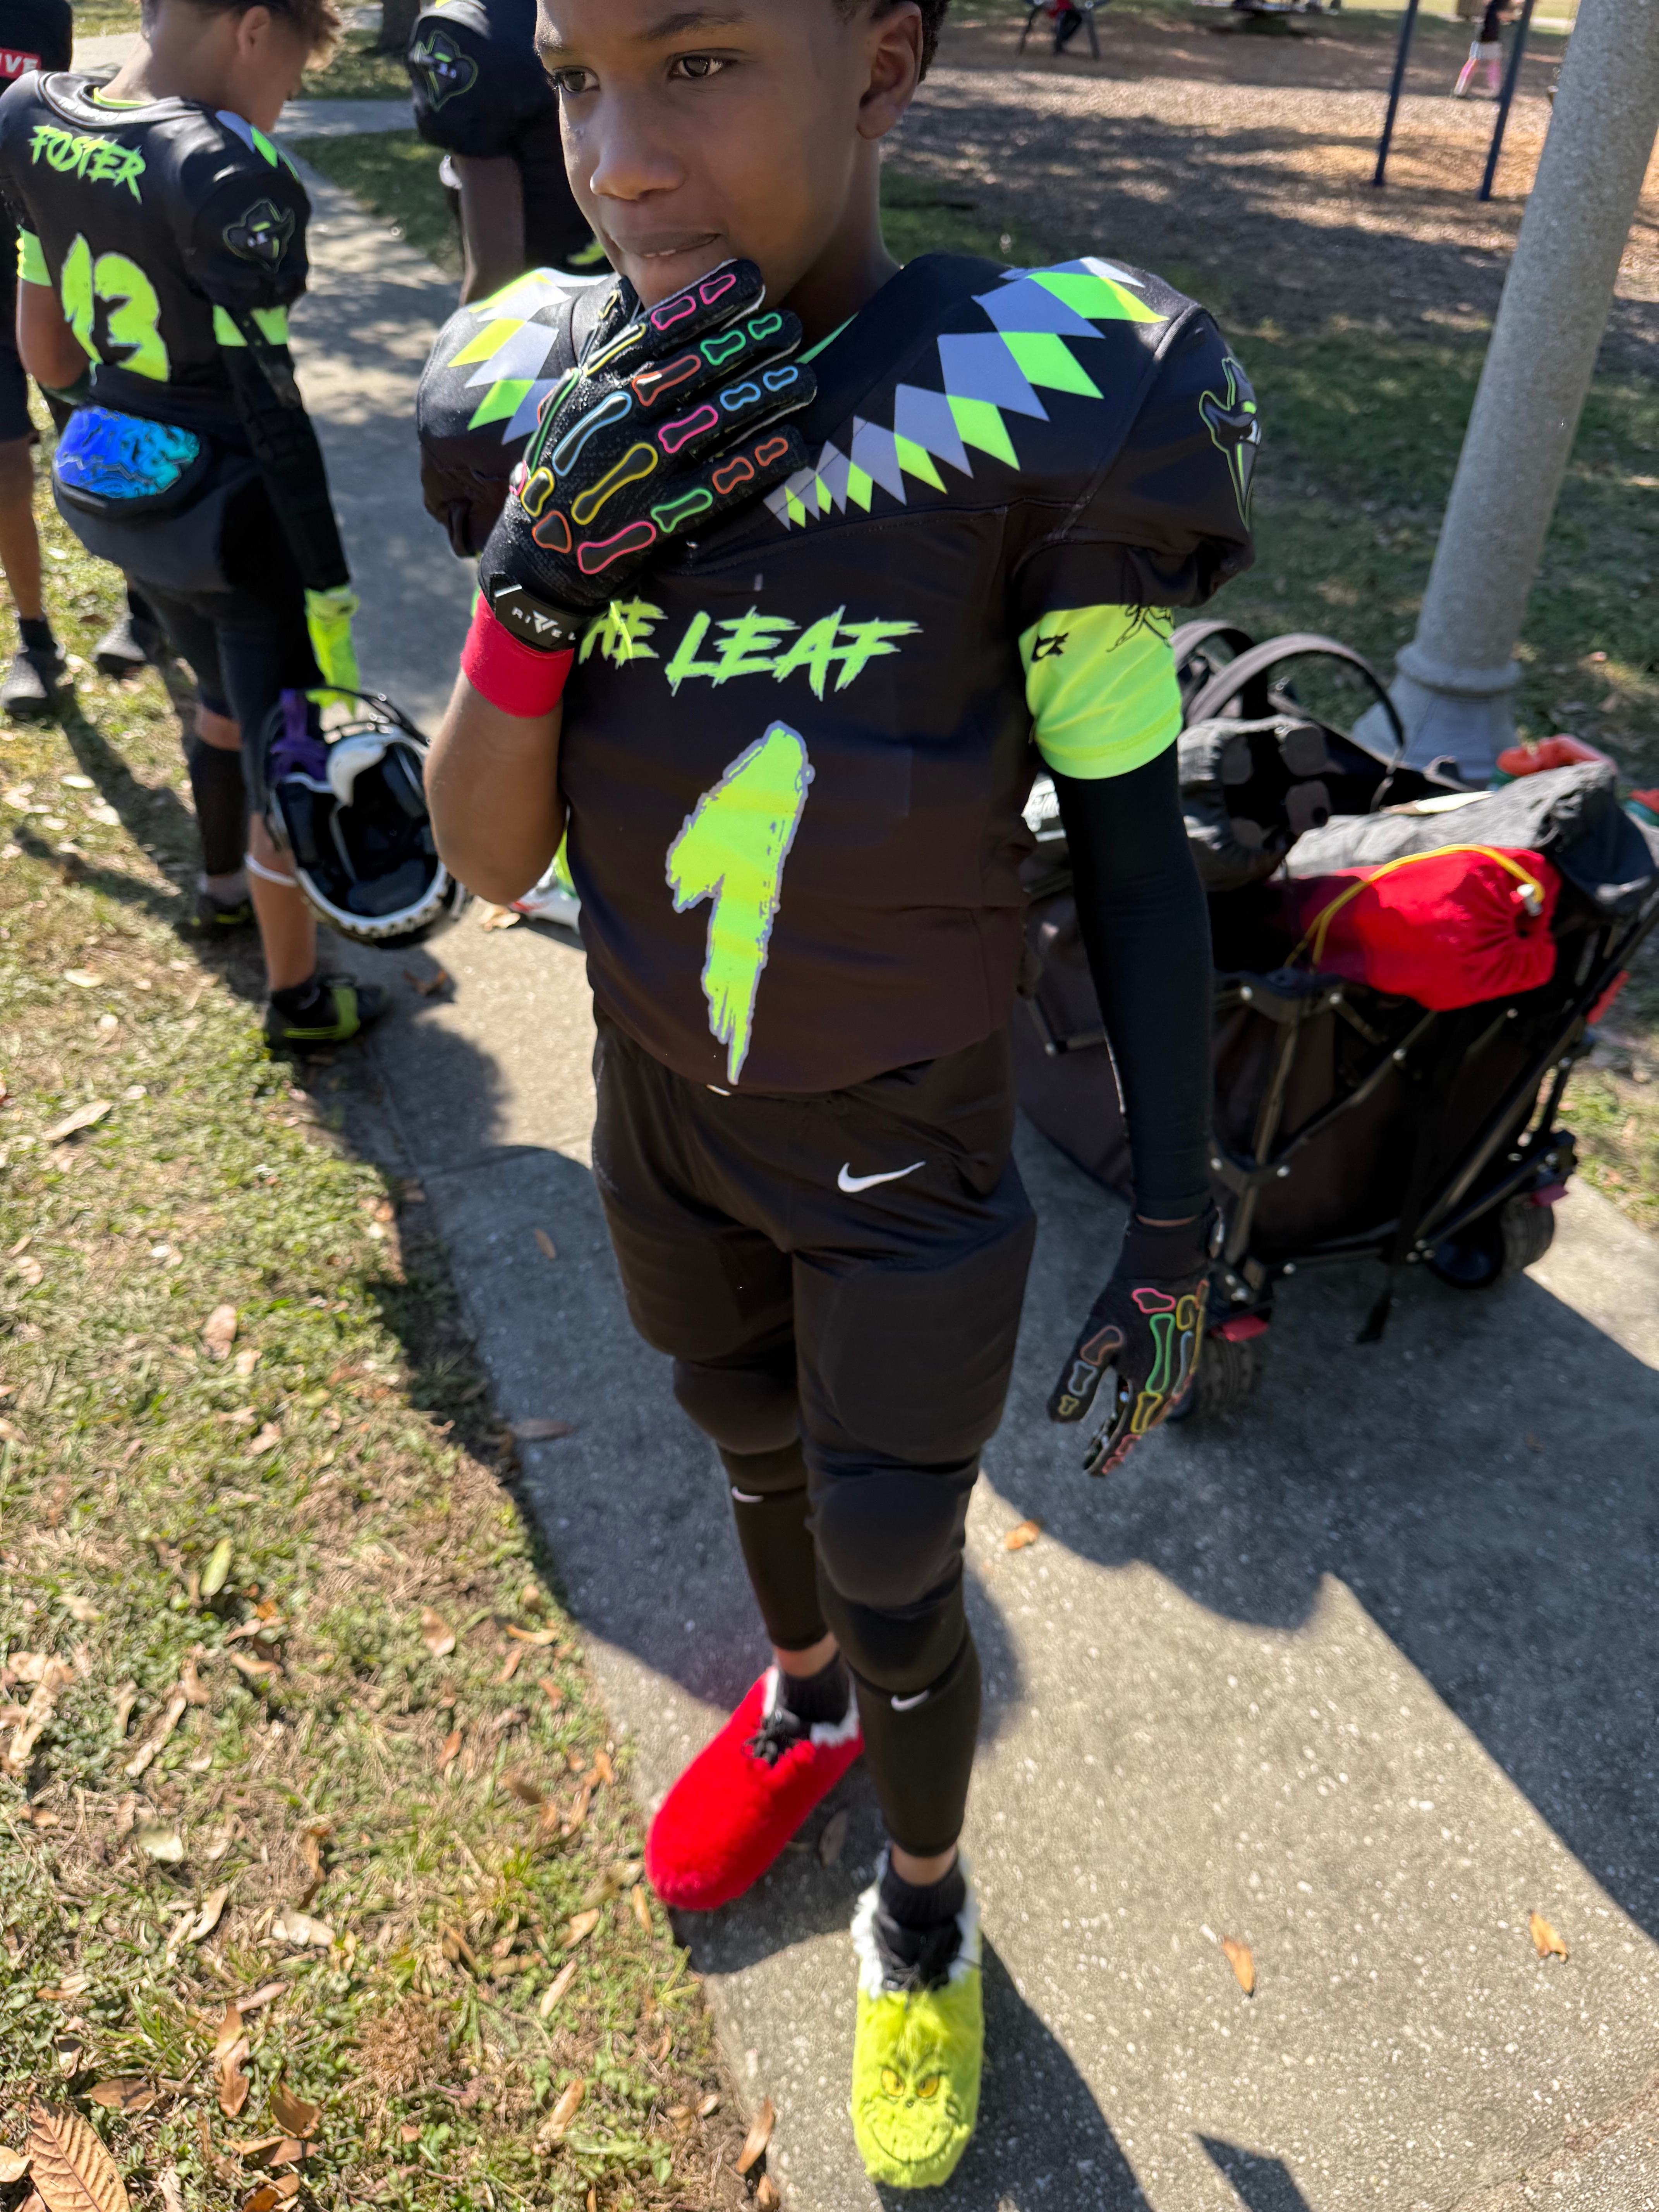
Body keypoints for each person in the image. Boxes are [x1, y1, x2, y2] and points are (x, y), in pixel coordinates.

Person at [426, 0, 1254, 2185]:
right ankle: (797, 1696)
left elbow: (1138, 859)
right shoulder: (562, 391)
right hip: (659, 1097)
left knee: (900, 1558)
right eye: (575, 77)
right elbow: (489, 860)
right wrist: (534, 576)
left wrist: (1179, 1219)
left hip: (906, 1144)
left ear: (880, 64)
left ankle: (927, 1900)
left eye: (697, 62)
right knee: (745, 1444)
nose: (617, 156)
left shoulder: (1035, 400)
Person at [0, 0, 386, 1042]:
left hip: (120, 490)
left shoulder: (31, 115)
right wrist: (322, 574)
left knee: (217, 695)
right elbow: (270, 406)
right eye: (290, 80)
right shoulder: (226, 171)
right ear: (255, 27)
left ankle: (220, 889)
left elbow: (47, 357)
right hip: (235, 513)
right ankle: (298, 998)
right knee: (284, 746)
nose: (282, 107)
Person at [406, 0, 605, 302]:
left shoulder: (467, 33)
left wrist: (469, 331)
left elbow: (496, 274)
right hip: (643, 287)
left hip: (545, 305)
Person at [0, 0, 69, 718]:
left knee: (97, 449)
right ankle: (35, 638)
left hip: (50, 272)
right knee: (5, 471)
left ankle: (146, 610)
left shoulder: (43, 12)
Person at [1453, 0, 1511, 97]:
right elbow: (1501, 14)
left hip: (1483, 33)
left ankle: (1460, 90)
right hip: (1490, 35)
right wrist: (1518, 16)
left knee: (1474, 62)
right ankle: (1495, 92)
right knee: (1493, 62)